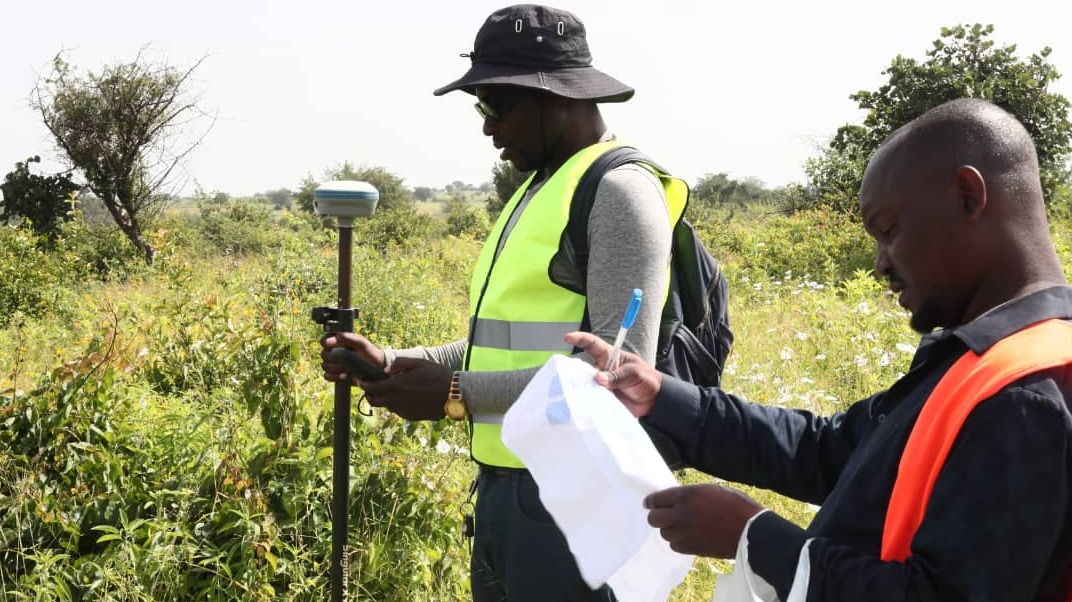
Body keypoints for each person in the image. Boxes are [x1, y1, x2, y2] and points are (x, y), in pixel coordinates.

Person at [567, 98, 1072, 601]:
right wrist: (662, 396)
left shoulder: (1023, 395)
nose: (880, 264)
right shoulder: (983, 358)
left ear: (968, 196)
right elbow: (833, 451)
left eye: (889, 230)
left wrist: (755, 538)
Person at [321, 5, 687, 601]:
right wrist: (392, 359)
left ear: (557, 97)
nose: (488, 127)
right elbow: (500, 342)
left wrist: (457, 395)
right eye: (481, 108)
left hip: (573, 500)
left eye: (497, 105)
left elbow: (620, 372)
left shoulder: (619, 190)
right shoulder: (540, 187)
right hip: (506, 492)